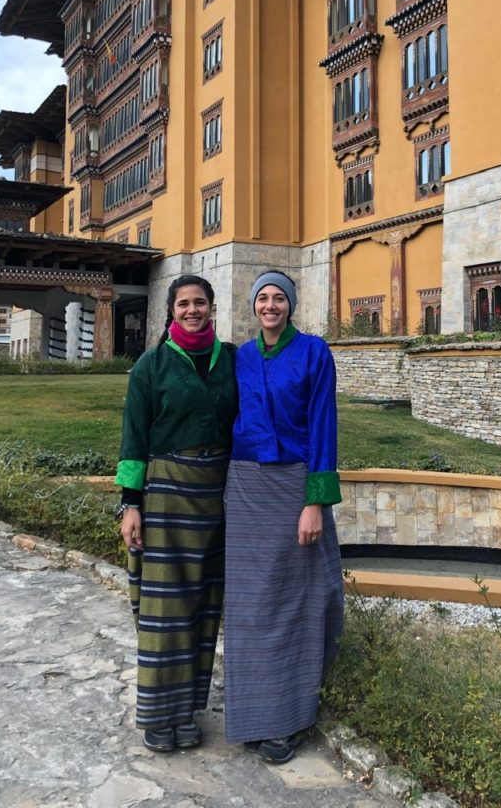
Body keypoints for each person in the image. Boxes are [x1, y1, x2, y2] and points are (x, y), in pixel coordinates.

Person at [224, 270, 344, 764]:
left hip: (294, 487)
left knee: (294, 601)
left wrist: (314, 501)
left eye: (279, 299)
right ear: (254, 306)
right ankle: (253, 715)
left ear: (291, 305)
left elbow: (323, 426)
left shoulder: (314, 352)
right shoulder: (241, 357)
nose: (270, 306)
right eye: (263, 299)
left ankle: (289, 718)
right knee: (250, 606)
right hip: (246, 488)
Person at [115, 275, 238, 753]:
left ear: (212, 307)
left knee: (205, 606)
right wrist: (131, 504)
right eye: (184, 303)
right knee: (167, 608)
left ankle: (187, 711)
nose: (192, 310)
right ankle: (157, 714)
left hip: (220, 494)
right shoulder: (151, 366)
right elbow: (133, 439)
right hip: (167, 491)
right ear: (171, 311)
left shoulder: (229, 360)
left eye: (200, 302)